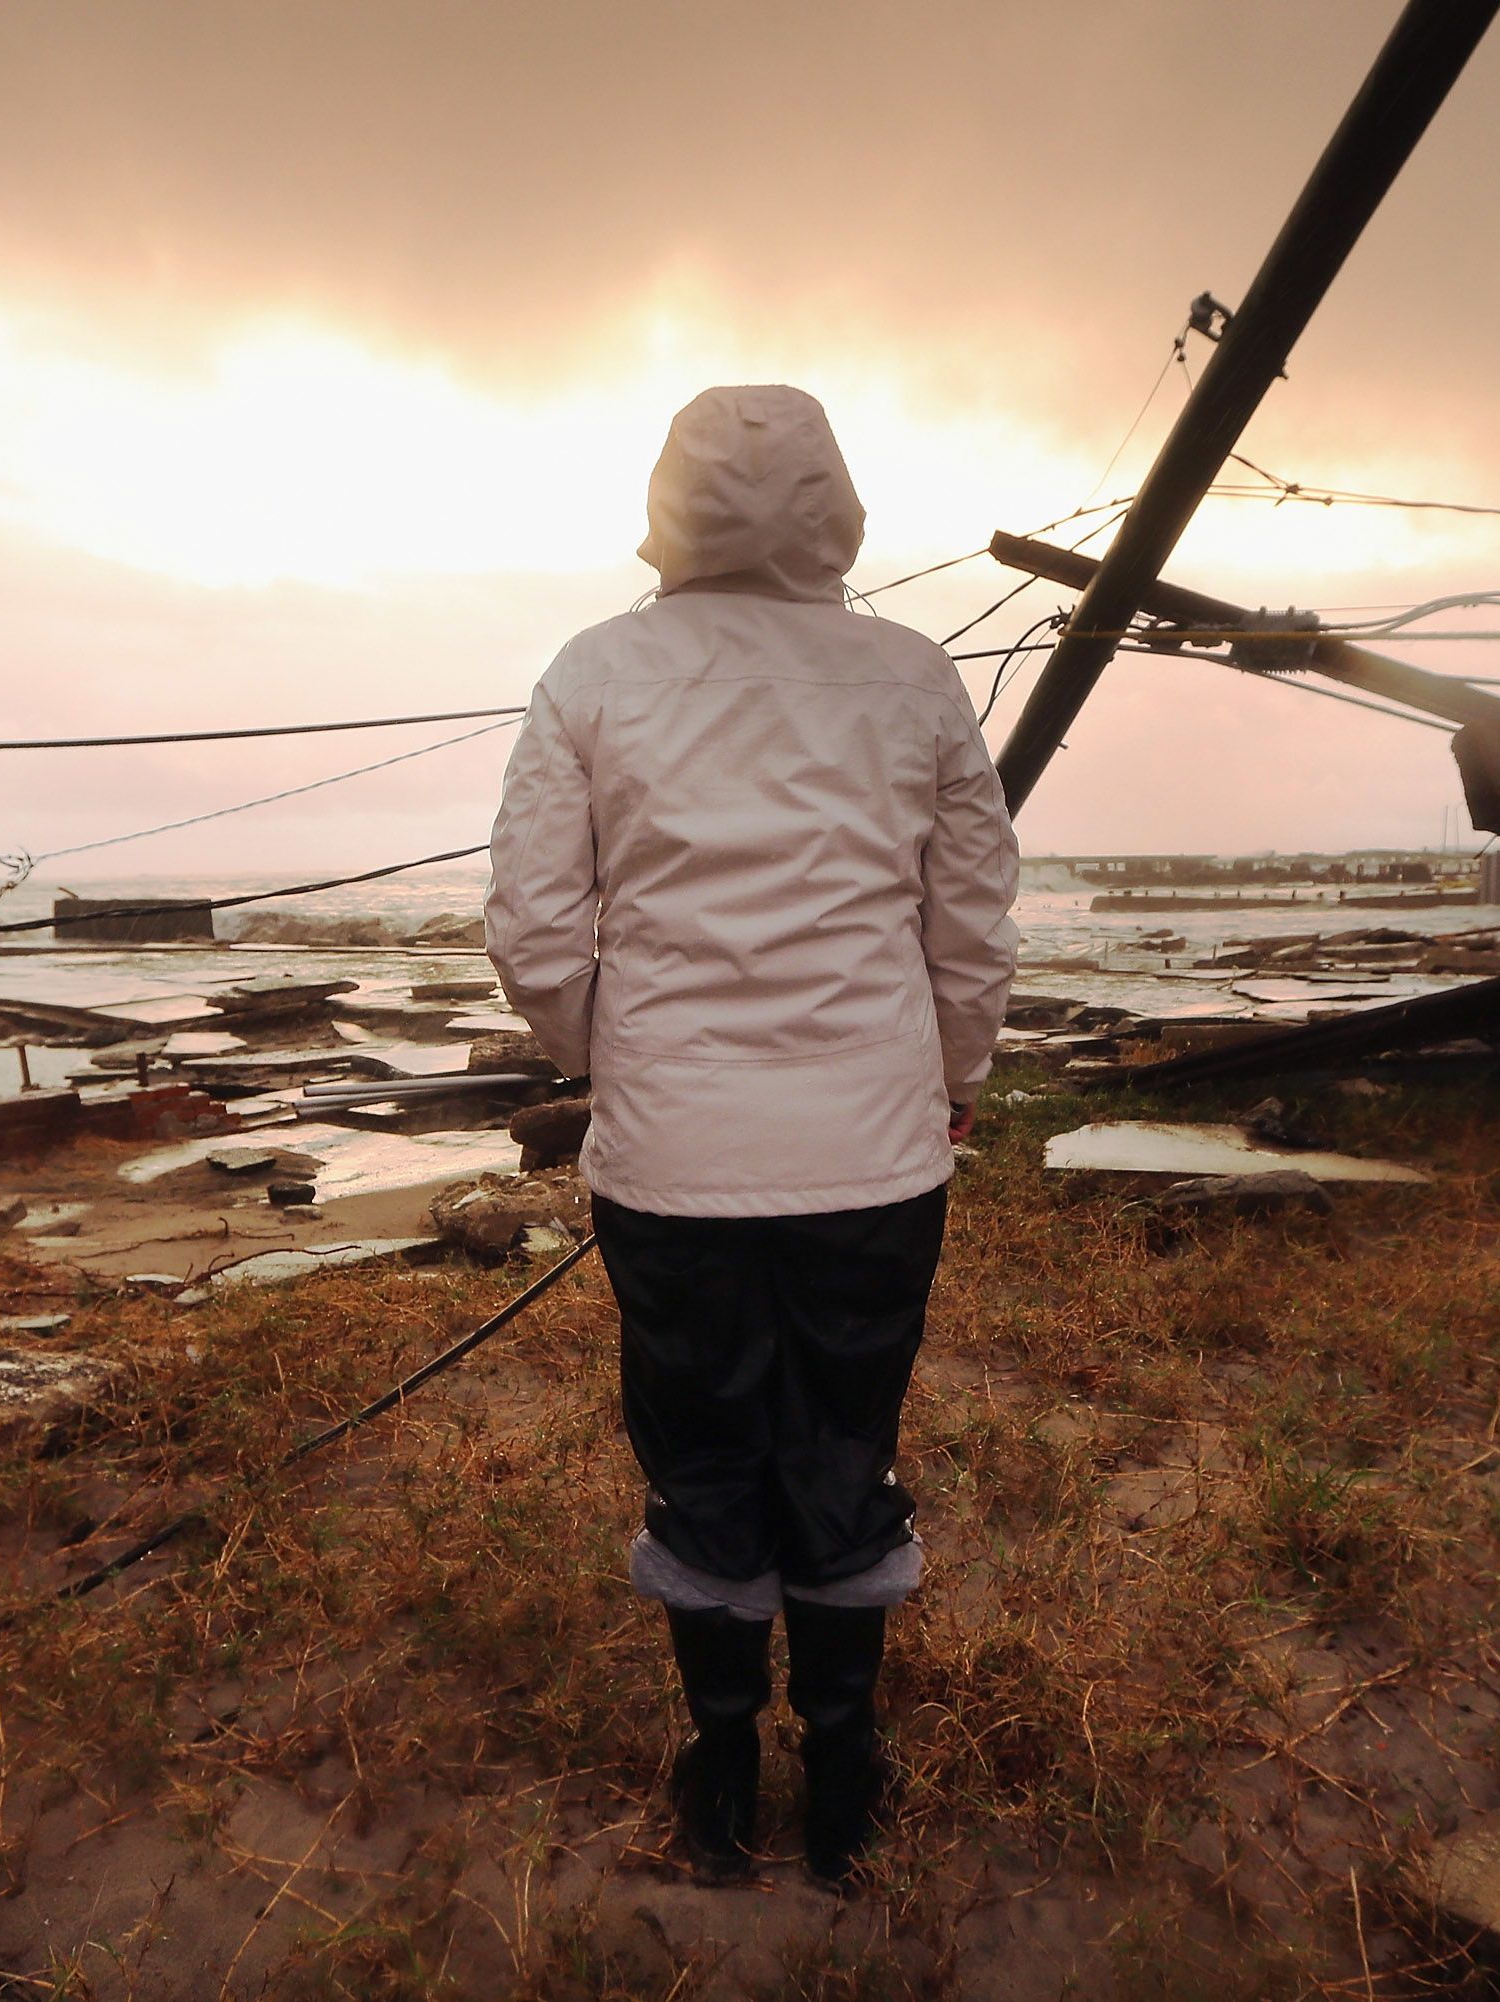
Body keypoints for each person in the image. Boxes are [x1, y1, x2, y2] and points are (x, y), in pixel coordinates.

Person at [485, 384, 1019, 1885]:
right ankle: (843, 1777)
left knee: (702, 1451)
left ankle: (721, 1769)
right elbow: (969, 920)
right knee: (844, 1440)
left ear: (668, 507)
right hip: (879, 1157)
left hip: (670, 1170)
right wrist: (950, 1071)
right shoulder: (913, 677)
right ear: (839, 509)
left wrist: (625, 1055)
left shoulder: (592, 673)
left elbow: (533, 931)